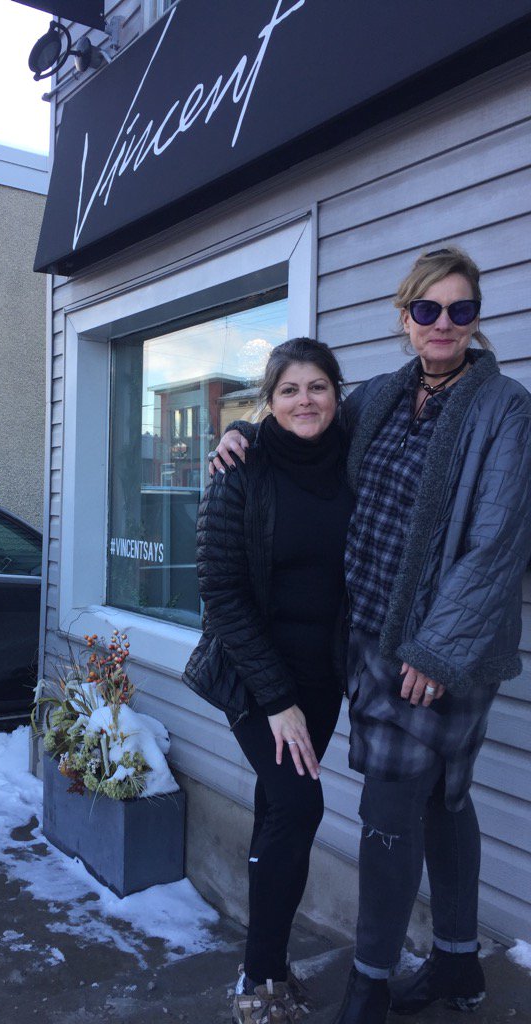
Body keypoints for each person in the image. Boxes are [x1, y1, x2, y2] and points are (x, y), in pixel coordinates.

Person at [211, 246, 531, 1023]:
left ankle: (369, 986)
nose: (443, 323)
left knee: (397, 806)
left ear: (476, 318)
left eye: (460, 309)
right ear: (404, 317)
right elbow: (305, 431)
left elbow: (498, 541)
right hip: (369, 642)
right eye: (427, 309)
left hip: (444, 652)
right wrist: (239, 437)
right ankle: (457, 964)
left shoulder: (505, 408)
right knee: (444, 801)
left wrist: (439, 649)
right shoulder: (381, 397)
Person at [185, 337, 353, 1023]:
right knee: (299, 806)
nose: (304, 400)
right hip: (256, 675)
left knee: (278, 808)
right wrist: (278, 701)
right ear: (270, 400)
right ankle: (258, 982)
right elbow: (220, 592)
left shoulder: (352, 459)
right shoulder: (240, 469)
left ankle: (269, 965)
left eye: (317, 387)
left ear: (337, 394)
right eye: (289, 390)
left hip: (324, 676)